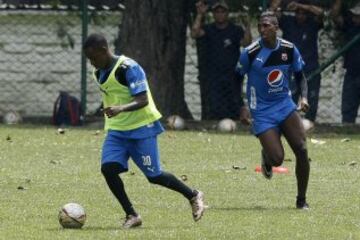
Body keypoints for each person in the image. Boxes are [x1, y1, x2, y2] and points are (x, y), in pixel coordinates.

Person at [83, 33, 205, 229]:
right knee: (108, 169)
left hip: (142, 129)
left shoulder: (128, 68)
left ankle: (193, 195)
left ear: (104, 51)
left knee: (154, 176)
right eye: (89, 59)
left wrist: (120, 108)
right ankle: (131, 214)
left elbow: (143, 100)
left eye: (94, 58)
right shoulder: (98, 72)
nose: (91, 63)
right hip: (117, 131)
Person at [235, 11, 310, 209]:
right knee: (277, 159)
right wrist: (242, 106)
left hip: (284, 105)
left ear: (276, 28)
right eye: (260, 26)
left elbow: (300, 75)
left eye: (267, 25)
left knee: (301, 149)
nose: (262, 29)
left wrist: (303, 97)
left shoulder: (289, 49)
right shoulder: (250, 52)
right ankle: (267, 156)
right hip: (261, 111)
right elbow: (236, 78)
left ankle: (301, 201)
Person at [191, 0, 252, 120]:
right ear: (213, 14)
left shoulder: (235, 30)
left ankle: (237, 123)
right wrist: (200, 14)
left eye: (222, 11)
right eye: (217, 12)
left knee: (234, 101)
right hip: (213, 74)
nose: (219, 14)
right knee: (215, 104)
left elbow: (247, 43)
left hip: (232, 74)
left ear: (227, 13)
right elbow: (194, 33)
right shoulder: (209, 29)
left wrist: (248, 26)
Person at [271, 0, 324, 131]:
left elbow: (321, 13)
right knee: (288, 99)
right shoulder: (288, 22)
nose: (300, 15)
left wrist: (301, 5)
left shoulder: (313, 24)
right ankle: (287, 126)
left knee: (311, 100)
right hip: (290, 69)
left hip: (310, 68)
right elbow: (272, 12)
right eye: (298, 13)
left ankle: (310, 126)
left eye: (303, 13)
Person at [332, 0, 360, 124]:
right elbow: (335, 17)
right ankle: (347, 129)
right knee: (348, 108)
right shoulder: (349, 25)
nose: (355, 18)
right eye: (354, 15)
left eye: (358, 16)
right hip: (351, 72)